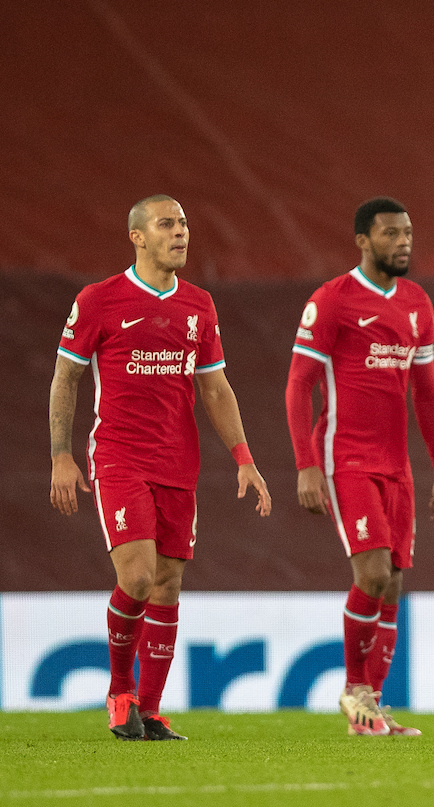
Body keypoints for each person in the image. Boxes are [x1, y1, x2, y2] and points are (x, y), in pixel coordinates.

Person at [49, 194, 272, 741]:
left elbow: (215, 388)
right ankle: (120, 692)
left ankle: (147, 710)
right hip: (120, 456)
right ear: (138, 236)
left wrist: (244, 458)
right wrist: (60, 455)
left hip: (179, 463)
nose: (181, 233)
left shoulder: (199, 305)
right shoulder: (100, 299)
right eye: (167, 224)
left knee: (169, 586)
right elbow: (66, 378)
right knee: (139, 576)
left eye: (185, 223)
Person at [286, 196, 434, 737]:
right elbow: (299, 386)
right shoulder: (333, 301)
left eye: (407, 232)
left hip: (397, 465)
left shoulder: (417, 303)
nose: (403, 241)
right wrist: (306, 464)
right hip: (345, 455)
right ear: (362, 240)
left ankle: (372, 711)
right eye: (390, 234)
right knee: (373, 573)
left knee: (394, 584)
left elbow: (426, 393)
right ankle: (355, 688)